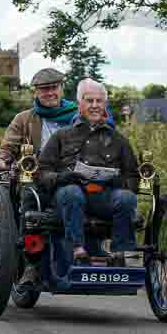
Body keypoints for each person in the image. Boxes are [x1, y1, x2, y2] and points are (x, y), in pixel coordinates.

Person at [33, 78, 139, 279]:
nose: (95, 106)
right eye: (89, 101)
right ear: (79, 104)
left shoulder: (118, 140)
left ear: (105, 105)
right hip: (68, 196)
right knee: (72, 192)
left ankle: (119, 253)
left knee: (125, 198)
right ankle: (78, 251)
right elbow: (41, 172)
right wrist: (63, 177)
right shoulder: (61, 136)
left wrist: (119, 182)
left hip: (104, 197)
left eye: (99, 101)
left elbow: (133, 176)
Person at [0, 67, 77, 168]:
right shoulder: (23, 119)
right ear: (35, 92)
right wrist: (0, 159)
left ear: (62, 89)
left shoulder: (78, 116)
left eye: (54, 87)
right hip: (34, 177)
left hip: (71, 175)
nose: (50, 93)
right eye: (44, 89)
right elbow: (8, 146)